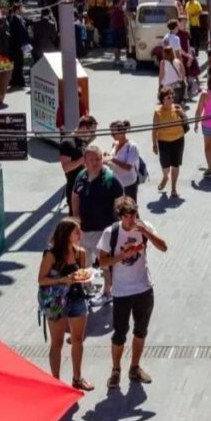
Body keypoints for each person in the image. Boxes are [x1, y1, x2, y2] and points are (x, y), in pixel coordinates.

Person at [97, 196, 168, 389]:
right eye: (128, 216)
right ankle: (116, 370)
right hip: (121, 292)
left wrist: (147, 233)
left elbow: (164, 247)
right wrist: (121, 256)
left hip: (144, 288)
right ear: (120, 216)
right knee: (119, 333)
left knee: (140, 331)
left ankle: (135, 367)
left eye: (134, 214)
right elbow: (102, 261)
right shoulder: (110, 233)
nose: (132, 219)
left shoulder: (144, 227)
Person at [37, 217, 94, 391]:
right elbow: (41, 279)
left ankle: (77, 378)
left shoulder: (80, 253)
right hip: (56, 302)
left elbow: (82, 274)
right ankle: (55, 382)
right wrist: (63, 280)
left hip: (76, 298)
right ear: (66, 234)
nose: (80, 234)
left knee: (77, 339)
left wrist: (85, 278)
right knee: (57, 342)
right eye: (76, 231)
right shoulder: (51, 254)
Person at [71, 145, 125, 307]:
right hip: (83, 230)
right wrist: (75, 217)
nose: (96, 162)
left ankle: (107, 292)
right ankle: (86, 286)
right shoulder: (81, 176)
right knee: (83, 261)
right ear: (85, 161)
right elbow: (75, 195)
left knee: (104, 263)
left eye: (99, 158)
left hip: (103, 231)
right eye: (92, 159)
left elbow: (122, 204)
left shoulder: (111, 180)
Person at [59, 115, 98, 215]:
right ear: (84, 127)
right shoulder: (68, 142)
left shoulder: (83, 142)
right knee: (76, 219)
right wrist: (82, 160)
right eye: (92, 131)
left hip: (85, 185)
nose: (93, 135)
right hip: (74, 188)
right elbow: (66, 168)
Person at [152, 87, 186, 198]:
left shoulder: (177, 108)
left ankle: (173, 188)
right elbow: (154, 130)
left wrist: (183, 113)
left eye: (172, 97)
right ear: (162, 100)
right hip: (163, 142)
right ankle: (165, 176)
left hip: (178, 139)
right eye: (168, 97)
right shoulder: (158, 112)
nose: (171, 99)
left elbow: (186, 121)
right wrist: (154, 144)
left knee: (175, 165)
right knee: (165, 165)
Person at [107, 120, 141, 202]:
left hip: (128, 184)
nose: (112, 135)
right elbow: (112, 160)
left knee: (131, 208)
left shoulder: (132, 147)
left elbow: (128, 167)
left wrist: (112, 159)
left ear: (122, 131)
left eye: (113, 132)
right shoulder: (114, 144)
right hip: (116, 183)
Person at [7, 3, 30, 88]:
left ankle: (16, 80)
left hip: (15, 45)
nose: (22, 10)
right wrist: (23, 44)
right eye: (21, 8)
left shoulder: (14, 18)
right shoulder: (16, 19)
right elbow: (19, 33)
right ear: (17, 10)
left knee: (17, 64)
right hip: (17, 46)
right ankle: (19, 81)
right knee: (19, 63)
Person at [109, 0, 127, 64]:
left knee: (116, 45)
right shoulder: (120, 11)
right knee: (118, 45)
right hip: (119, 29)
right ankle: (117, 58)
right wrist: (125, 27)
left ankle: (117, 58)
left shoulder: (112, 11)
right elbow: (124, 20)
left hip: (114, 29)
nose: (121, 5)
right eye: (120, 3)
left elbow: (112, 20)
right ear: (117, 4)